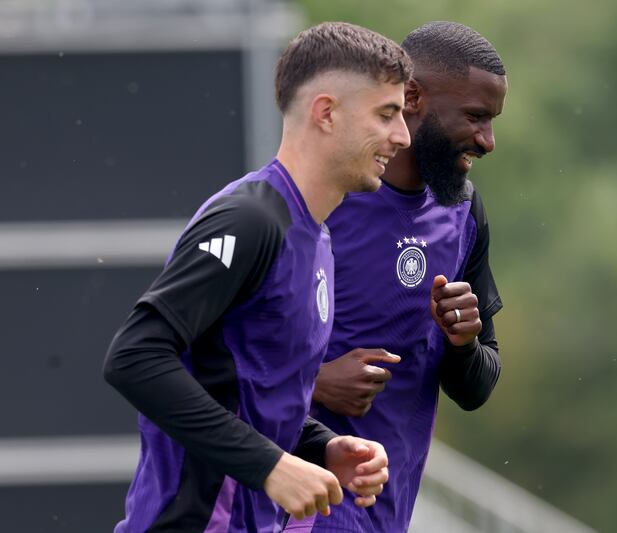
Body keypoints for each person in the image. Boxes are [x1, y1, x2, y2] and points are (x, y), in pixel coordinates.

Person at [103, 22, 412, 532]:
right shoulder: (249, 220)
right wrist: (268, 465)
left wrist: (321, 445)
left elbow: (248, 390)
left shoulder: (316, 236)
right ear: (327, 113)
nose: (401, 136)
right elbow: (134, 357)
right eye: (387, 114)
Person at [286, 20, 508, 533]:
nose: (488, 140)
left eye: (493, 121)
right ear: (412, 98)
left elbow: (476, 387)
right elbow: (207, 360)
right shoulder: (315, 198)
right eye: (475, 117)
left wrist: (463, 343)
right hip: (297, 509)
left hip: (389, 512)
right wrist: (316, 383)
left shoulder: (463, 212)